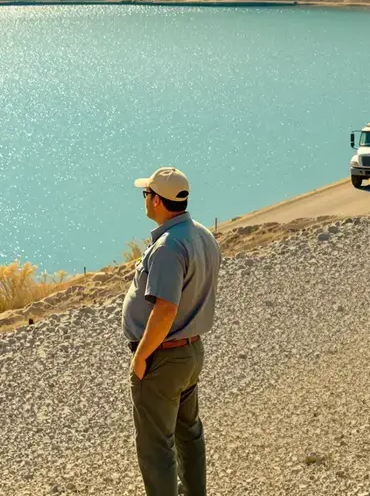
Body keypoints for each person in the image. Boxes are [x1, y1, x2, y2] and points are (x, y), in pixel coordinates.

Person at [122, 167, 220, 496]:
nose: (144, 200)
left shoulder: (168, 247)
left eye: (146, 194)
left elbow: (165, 310)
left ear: (160, 201)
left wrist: (141, 356)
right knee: (188, 433)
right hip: (191, 353)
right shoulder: (203, 235)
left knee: (156, 448)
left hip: (163, 358)